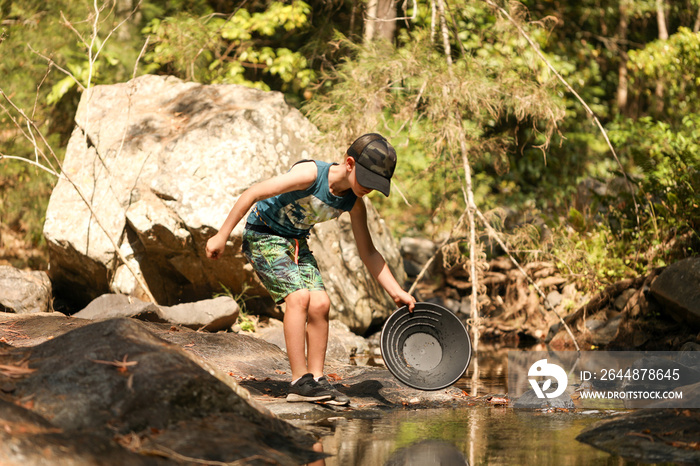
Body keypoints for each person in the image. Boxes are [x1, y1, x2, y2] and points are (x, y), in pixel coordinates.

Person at [206, 133, 416, 405]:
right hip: (263, 234)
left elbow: (369, 252)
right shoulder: (311, 175)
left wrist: (396, 291)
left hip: (295, 242)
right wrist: (222, 235)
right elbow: (254, 192)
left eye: (377, 185)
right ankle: (298, 382)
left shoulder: (353, 202)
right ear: (349, 163)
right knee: (299, 297)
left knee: (320, 303)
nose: (369, 188)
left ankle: (316, 381)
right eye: (367, 180)